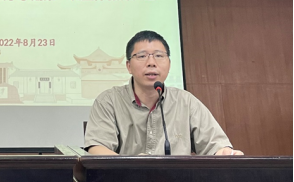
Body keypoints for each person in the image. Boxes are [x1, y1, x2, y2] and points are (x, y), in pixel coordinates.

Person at [84, 30, 244, 156]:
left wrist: (224, 153)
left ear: (169, 64)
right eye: (142, 56)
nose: (151, 63)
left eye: (159, 56)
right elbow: (97, 148)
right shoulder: (109, 101)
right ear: (129, 66)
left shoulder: (186, 102)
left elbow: (215, 145)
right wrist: (131, 165)